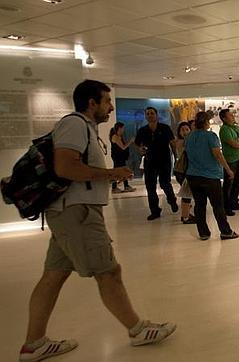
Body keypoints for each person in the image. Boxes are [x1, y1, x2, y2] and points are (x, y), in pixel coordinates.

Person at [18, 80, 176, 362]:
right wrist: (111, 173)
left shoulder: (84, 128)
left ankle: (34, 343)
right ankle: (137, 330)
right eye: (106, 101)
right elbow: (65, 166)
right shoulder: (75, 124)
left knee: (54, 275)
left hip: (70, 213)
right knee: (109, 271)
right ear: (92, 103)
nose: (111, 107)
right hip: (77, 213)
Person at [185, 111, 239, 241]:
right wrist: (228, 170)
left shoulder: (189, 137)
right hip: (210, 176)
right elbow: (218, 155)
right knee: (217, 205)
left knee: (199, 204)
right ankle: (225, 231)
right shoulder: (211, 136)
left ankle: (203, 233)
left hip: (193, 175)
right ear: (206, 122)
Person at [135, 107, 179, 221]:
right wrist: (140, 150)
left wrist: (176, 156)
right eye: (148, 113)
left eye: (152, 113)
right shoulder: (142, 130)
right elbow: (137, 144)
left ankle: (172, 200)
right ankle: (155, 211)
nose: (150, 115)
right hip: (150, 161)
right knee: (150, 187)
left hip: (164, 160)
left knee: (165, 183)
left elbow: (173, 143)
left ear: (156, 115)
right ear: (145, 116)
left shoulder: (165, 128)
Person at [219, 109, 239, 216]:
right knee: (229, 184)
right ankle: (226, 206)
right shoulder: (224, 129)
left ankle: (234, 202)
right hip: (230, 160)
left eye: (232, 115)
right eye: (230, 115)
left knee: (237, 181)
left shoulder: (236, 127)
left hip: (238, 157)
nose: (232, 116)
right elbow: (232, 143)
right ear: (224, 118)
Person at [175, 121, 196, 224]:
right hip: (183, 171)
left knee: (187, 194)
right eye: (182, 129)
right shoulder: (181, 142)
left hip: (184, 170)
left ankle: (186, 214)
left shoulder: (187, 141)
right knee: (186, 194)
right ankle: (185, 217)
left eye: (187, 129)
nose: (185, 131)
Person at [110, 122, 135, 193]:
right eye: (123, 128)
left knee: (123, 170)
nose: (123, 130)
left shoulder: (119, 136)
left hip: (120, 157)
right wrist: (130, 141)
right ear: (119, 128)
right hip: (117, 157)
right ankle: (114, 187)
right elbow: (123, 147)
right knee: (116, 171)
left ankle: (125, 186)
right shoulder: (115, 136)